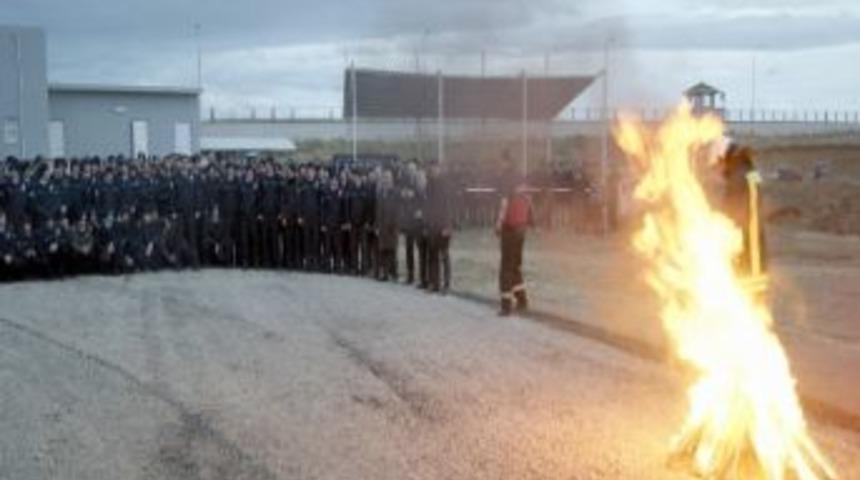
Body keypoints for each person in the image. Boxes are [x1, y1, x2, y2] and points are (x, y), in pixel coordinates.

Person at [720, 143, 767, 276]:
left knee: (747, 249)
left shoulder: (746, 172)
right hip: (744, 218)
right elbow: (757, 189)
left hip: (745, 219)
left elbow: (755, 190)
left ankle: (747, 273)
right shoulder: (749, 171)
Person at [495, 175, 534, 316]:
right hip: (521, 231)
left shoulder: (508, 189)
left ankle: (506, 305)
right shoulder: (525, 192)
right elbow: (530, 210)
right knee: (516, 265)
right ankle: (522, 300)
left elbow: (504, 207)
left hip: (510, 230)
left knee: (506, 267)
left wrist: (498, 225)